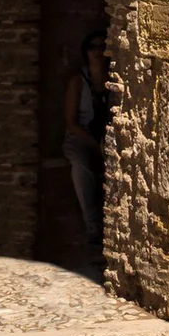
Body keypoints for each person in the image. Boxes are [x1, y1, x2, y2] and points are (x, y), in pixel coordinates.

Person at [62, 25, 109, 253]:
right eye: (93, 47)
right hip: (82, 138)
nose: (98, 52)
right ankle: (93, 225)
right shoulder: (78, 81)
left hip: (108, 137)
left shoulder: (116, 77)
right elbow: (71, 123)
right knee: (81, 166)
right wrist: (94, 143)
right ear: (85, 51)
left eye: (103, 46)